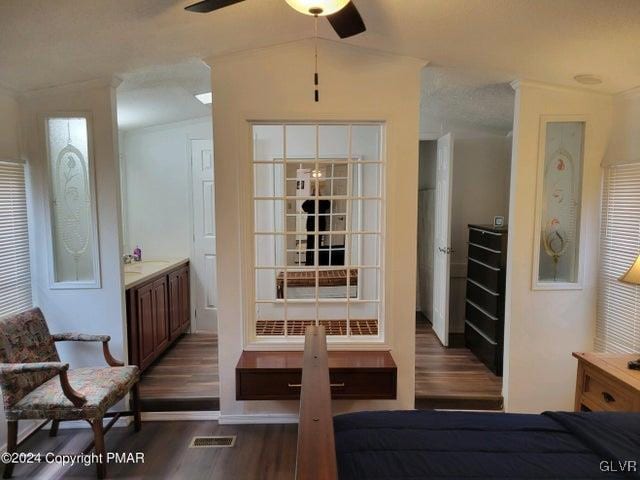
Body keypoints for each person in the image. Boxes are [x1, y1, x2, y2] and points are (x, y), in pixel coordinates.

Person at [301, 183, 330, 266]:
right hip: (311, 225)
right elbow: (303, 207)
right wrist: (310, 198)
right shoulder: (310, 201)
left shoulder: (322, 201)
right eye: (315, 192)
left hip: (320, 224)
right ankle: (308, 262)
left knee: (318, 244)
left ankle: (317, 261)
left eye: (318, 192)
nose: (316, 193)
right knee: (310, 244)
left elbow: (328, 205)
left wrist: (320, 197)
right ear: (312, 193)